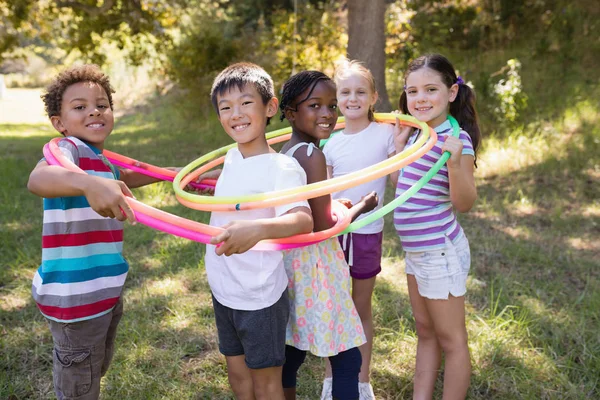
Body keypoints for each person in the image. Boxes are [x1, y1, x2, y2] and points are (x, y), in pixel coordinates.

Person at [27, 64, 171, 400]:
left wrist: (179, 176)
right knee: (79, 384)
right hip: (76, 299)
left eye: (102, 104)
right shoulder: (67, 154)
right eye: (80, 107)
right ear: (59, 123)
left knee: (92, 367)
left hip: (104, 292)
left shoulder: (100, 160)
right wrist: (87, 184)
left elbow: (132, 174)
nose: (94, 110)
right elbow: (38, 179)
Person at [205, 62, 314, 400]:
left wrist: (257, 230)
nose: (235, 113)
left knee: (267, 384)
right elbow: (236, 192)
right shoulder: (231, 159)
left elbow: (302, 220)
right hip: (224, 289)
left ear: (269, 107)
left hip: (259, 296)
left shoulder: (282, 167)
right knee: (238, 377)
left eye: (245, 103)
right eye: (226, 107)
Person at [278, 70, 378, 400]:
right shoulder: (312, 155)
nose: (327, 114)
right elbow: (322, 226)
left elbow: (305, 203)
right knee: (348, 359)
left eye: (332, 105)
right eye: (315, 106)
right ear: (291, 113)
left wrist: (332, 203)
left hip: (293, 266)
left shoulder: (287, 153)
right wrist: (361, 206)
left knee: (292, 351)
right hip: (317, 267)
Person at [394, 53, 481, 400]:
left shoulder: (454, 140)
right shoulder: (420, 135)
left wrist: (457, 161)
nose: (421, 98)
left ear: (452, 92)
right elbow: (410, 191)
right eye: (412, 91)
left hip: (439, 251)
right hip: (417, 252)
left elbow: (464, 202)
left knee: (452, 340)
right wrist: (399, 149)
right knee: (425, 331)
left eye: (431, 89)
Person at [321, 59, 397, 400]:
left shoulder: (385, 133)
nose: (353, 98)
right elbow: (321, 195)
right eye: (346, 92)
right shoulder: (330, 142)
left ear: (373, 97)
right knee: (336, 306)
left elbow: (397, 179)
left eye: (360, 91)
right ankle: (332, 379)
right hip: (334, 233)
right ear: (337, 98)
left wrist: (403, 138)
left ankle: (362, 381)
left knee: (360, 306)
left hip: (368, 231)